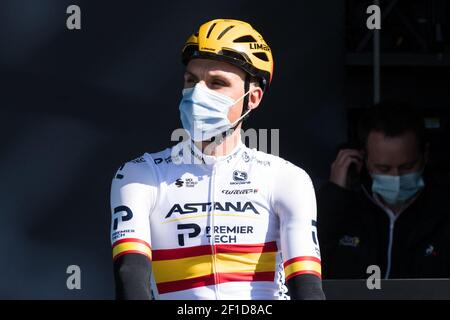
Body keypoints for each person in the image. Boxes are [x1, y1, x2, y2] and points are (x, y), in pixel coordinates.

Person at [110, 19, 325, 300]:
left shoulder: (287, 178)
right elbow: (130, 278)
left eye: (217, 83)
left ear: (253, 97)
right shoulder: (139, 174)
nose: (199, 93)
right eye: (191, 80)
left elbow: (307, 288)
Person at [317, 102, 450, 279]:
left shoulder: (443, 210)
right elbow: (309, 266)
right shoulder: (344, 207)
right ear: (362, 158)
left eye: (407, 167)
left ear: (425, 155)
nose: (396, 176)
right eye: (384, 169)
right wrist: (335, 195)